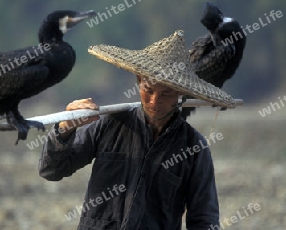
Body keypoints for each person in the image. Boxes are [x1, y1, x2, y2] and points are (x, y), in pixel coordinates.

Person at [39, 30, 238, 229]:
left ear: (180, 93)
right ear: (138, 81)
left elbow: (204, 220)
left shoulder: (194, 147)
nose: (154, 101)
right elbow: (51, 170)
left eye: (166, 93)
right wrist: (66, 127)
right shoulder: (110, 124)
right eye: (148, 90)